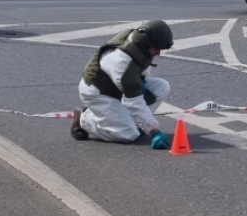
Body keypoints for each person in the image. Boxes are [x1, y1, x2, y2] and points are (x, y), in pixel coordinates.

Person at [72, 19, 174, 149]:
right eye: (157, 49)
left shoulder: (139, 42)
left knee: (161, 87)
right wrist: (154, 130)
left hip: (118, 87)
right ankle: (84, 119)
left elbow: (141, 67)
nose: (158, 53)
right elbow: (133, 100)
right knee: (128, 134)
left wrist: (141, 81)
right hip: (99, 92)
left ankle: (134, 123)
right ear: (147, 44)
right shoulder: (120, 61)